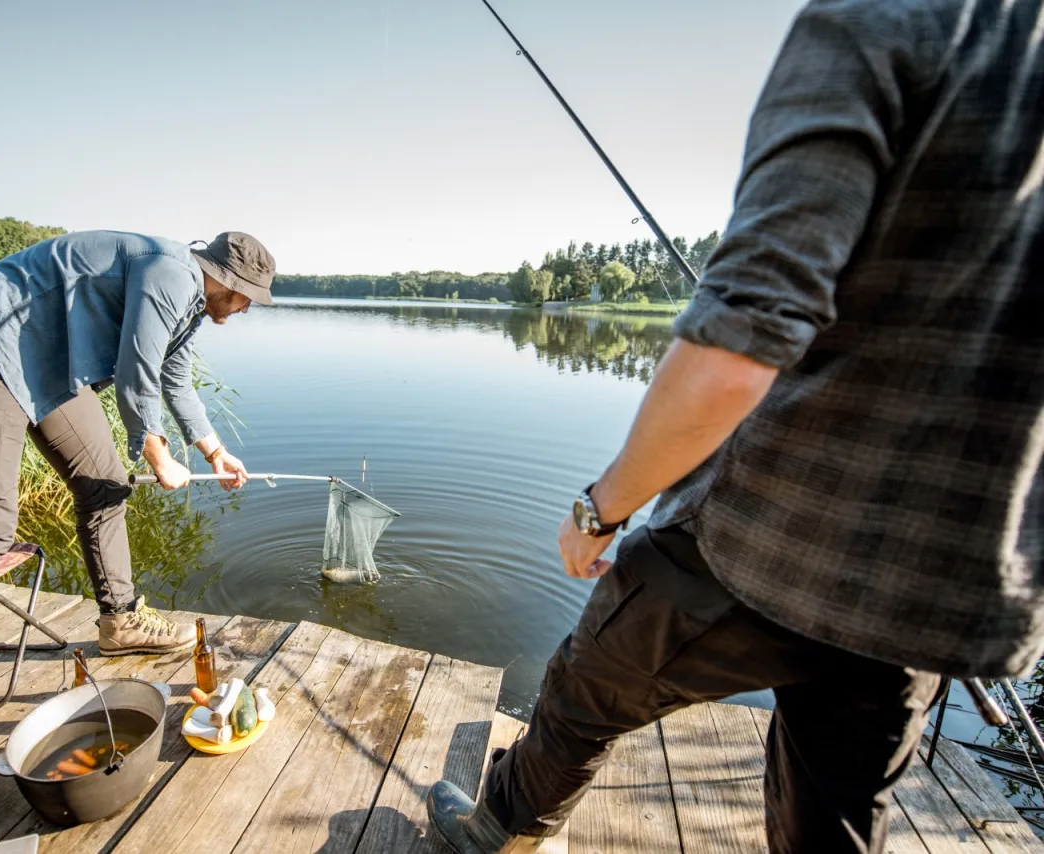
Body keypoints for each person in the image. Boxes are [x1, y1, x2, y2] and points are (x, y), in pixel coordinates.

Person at [427, 0, 1044, 851]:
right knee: (833, 816)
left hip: (770, 535)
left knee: (586, 685)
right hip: (944, 583)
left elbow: (735, 348)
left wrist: (598, 511)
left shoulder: (886, 22)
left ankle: (498, 830)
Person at [0, 230, 276, 808]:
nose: (246, 309)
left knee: (105, 483)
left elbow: (172, 377)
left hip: (48, 366)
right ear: (226, 280)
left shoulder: (190, 306)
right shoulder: (171, 271)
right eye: (247, 297)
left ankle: (121, 621)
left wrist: (213, 451)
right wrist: (156, 452)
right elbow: (136, 367)